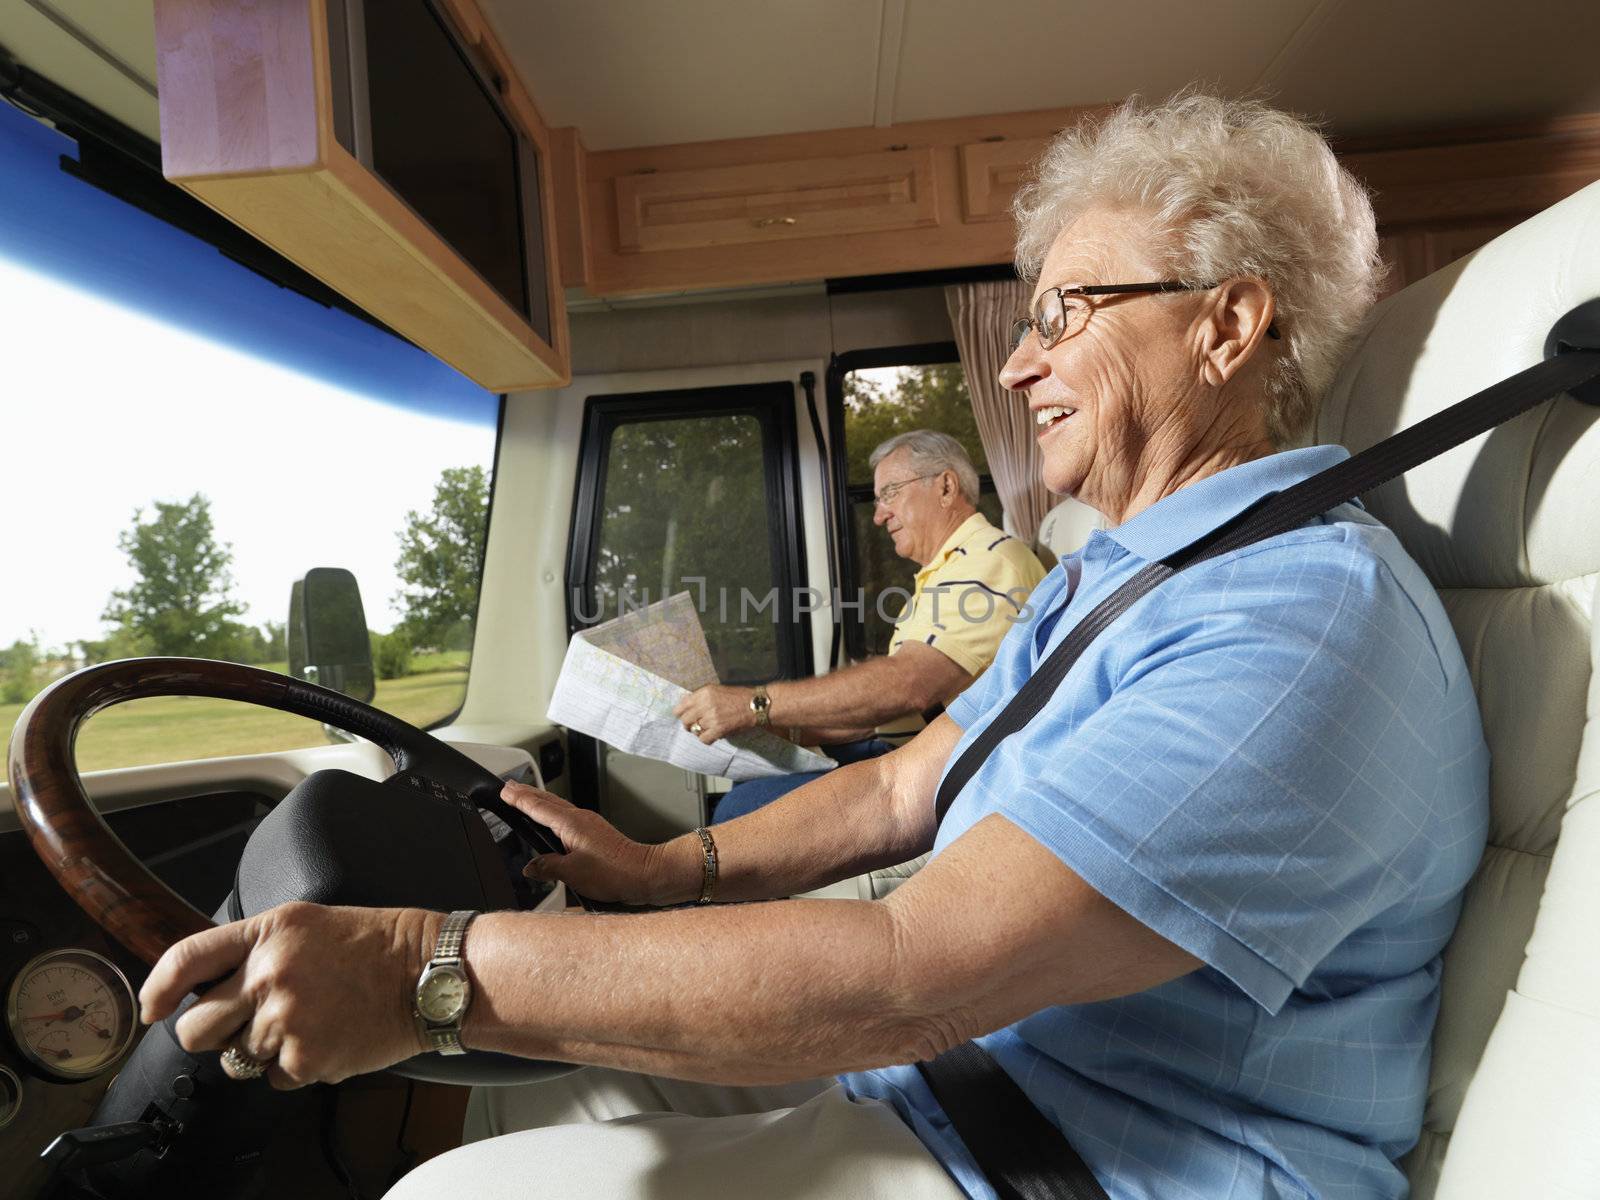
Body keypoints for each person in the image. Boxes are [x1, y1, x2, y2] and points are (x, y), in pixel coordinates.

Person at [139, 93, 1489, 1200]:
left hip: (1088, 1162)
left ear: (1228, 324)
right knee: (528, 1076)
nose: (1018, 370)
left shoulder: (1297, 621)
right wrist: (667, 868)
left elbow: (914, 976)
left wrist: (412, 970)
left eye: (1064, 313)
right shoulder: (1123, 579)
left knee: (442, 1193)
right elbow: (911, 785)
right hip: (982, 1078)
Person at [677, 429, 1046, 823]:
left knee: (737, 812)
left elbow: (910, 685)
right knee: (747, 785)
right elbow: (879, 714)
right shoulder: (944, 572)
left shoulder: (989, 562)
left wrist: (756, 705)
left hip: (947, 768)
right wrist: (785, 733)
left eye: (890, 493)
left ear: (946, 486)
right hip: (911, 748)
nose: (878, 515)